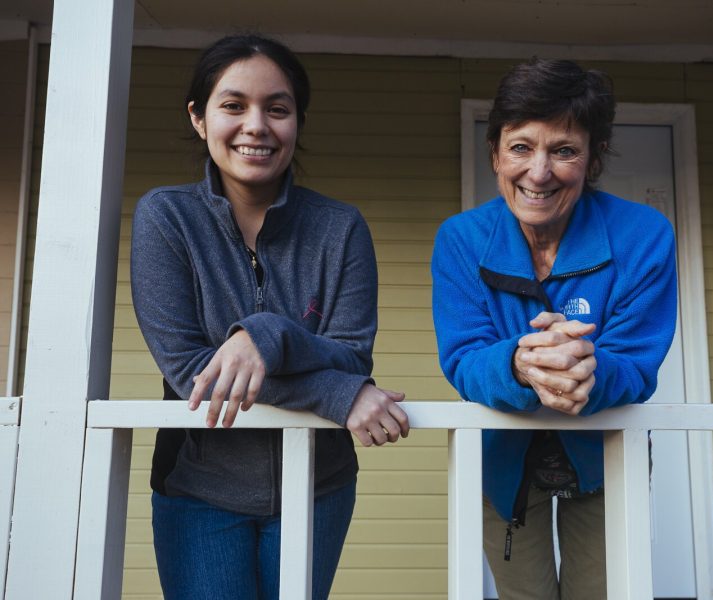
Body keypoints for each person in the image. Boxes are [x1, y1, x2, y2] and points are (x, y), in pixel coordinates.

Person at [130, 34, 409, 600]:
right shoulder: (165, 218)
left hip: (320, 486)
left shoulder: (340, 228)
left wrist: (267, 335)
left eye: (276, 109)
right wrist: (339, 393)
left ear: (296, 122)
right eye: (233, 106)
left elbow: (352, 352)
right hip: (197, 490)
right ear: (199, 118)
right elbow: (192, 372)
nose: (255, 125)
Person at [431, 58, 677, 599]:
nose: (538, 172)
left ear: (593, 160)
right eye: (521, 147)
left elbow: (635, 363)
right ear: (495, 153)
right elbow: (464, 358)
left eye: (563, 150)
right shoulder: (461, 240)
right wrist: (520, 363)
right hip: (502, 464)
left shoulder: (644, 235)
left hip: (608, 458)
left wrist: (589, 368)